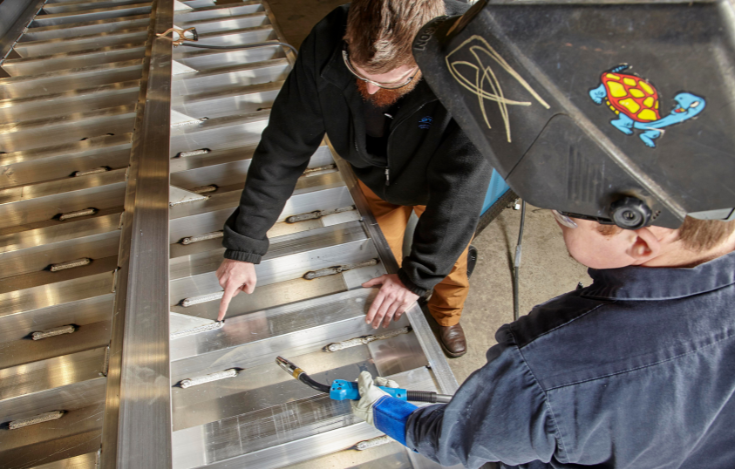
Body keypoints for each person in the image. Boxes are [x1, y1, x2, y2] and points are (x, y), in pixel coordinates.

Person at [215, 0, 493, 357]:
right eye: (360, 75)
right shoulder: (328, 41)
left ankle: (446, 316)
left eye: (392, 80)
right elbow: (285, 146)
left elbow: (461, 190)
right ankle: (396, 316)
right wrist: (245, 244)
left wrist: (415, 280)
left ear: (424, 56)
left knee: (449, 264)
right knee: (376, 261)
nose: (372, 93)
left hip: (436, 188)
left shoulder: (472, 64)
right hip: (374, 177)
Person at [351, 212, 735, 468]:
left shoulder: (553, 365)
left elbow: (461, 438)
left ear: (641, 243)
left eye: (566, 216)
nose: (556, 218)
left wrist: (391, 413)